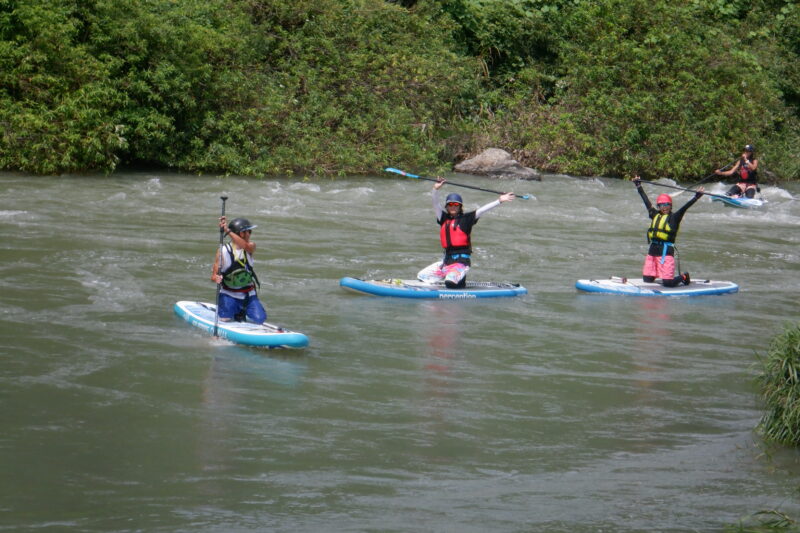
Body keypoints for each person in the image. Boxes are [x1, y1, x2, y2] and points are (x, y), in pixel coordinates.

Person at [417, 177, 515, 288]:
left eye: (456, 205)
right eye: (450, 205)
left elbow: (482, 210)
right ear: (447, 206)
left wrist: (499, 201)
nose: (453, 207)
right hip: (446, 262)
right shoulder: (443, 217)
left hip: (461, 262)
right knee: (422, 276)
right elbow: (435, 204)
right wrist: (435, 189)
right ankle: (446, 280)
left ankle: (456, 281)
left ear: (460, 206)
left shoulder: (467, 219)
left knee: (450, 283)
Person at [632, 176, 705, 287]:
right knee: (647, 280)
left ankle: (684, 276)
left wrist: (696, 197)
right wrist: (638, 185)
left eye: (667, 204)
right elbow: (646, 201)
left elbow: (685, 207)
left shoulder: (674, 217)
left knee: (668, 283)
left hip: (666, 252)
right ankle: (656, 275)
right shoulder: (654, 214)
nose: (665, 207)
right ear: (659, 206)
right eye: (662, 205)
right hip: (653, 251)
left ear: (670, 206)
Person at [210, 216, 267, 323]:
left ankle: (241, 311)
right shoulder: (223, 251)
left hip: (248, 296)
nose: (250, 234)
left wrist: (227, 230)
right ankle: (235, 311)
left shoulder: (251, 246)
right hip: (228, 294)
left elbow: (245, 246)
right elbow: (213, 276)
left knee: (260, 319)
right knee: (225, 319)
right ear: (241, 234)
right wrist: (216, 278)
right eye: (249, 231)